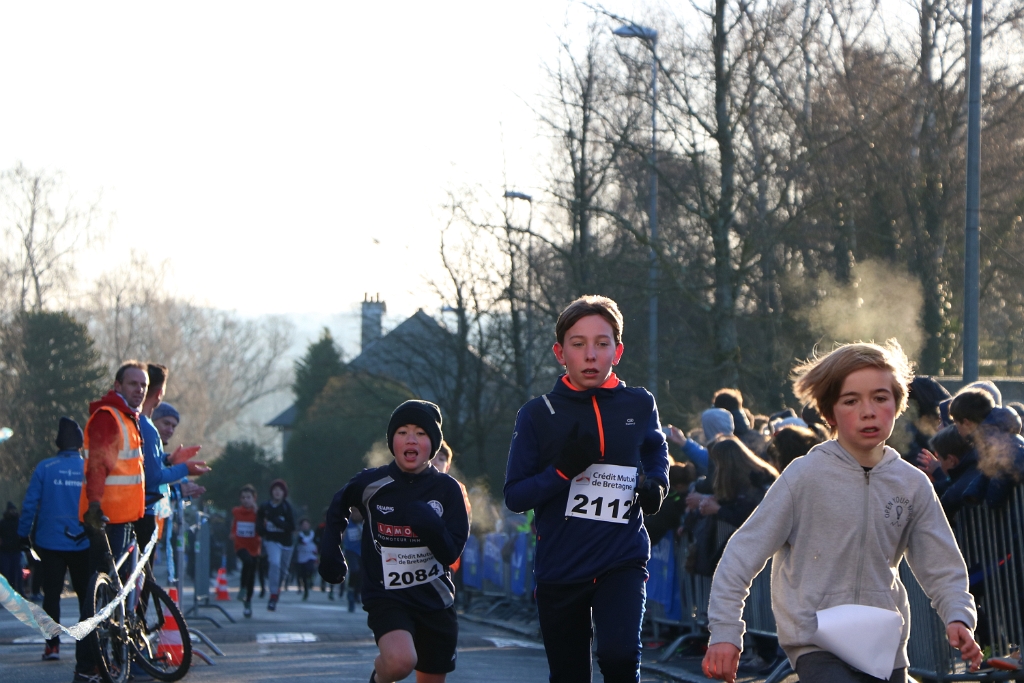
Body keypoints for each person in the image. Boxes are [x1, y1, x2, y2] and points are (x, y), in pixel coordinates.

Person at [703, 340, 982, 683]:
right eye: (851, 400)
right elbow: (741, 555)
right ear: (829, 412)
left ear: (897, 405)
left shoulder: (912, 484)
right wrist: (726, 632)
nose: (868, 411)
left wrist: (958, 616)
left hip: (884, 646)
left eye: (880, 398)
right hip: (817, 643)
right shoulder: (804, 476)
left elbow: (942, 564)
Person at [504, 295, 670, 683]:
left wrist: (657, 484)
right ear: (560, 353)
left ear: (618, 351)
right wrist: (562, 471)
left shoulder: (639, 403)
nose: (591, 355)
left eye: (602, 343)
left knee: (619, 657)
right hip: (561, 567)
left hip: (622, 559)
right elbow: (515, 495)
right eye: (578, 344)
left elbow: (655, 448)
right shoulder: (537, 414)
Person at [319, 400, 470, 683]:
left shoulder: (449, 490)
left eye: (420, 433)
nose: (411, 439)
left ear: (433, 443)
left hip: (435, 599)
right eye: (402, 432)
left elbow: (451, 551)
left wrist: (430, 525)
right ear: (392, 441)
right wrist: (331, 551)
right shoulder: (371, 484)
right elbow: (338, 505)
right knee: (401, 661)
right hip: (387, 596)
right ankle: (379, 677)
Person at [17, 418, 91, 662]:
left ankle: (52, 646)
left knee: (51, 595)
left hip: (50, 542)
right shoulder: (89, 468)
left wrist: (23, 535)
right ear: (80, 444)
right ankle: (87, 648)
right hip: (82, 541)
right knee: (85, 595)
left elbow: (30, 504)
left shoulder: (45, 467)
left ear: (58, 444)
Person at [136, 363, 208, 566]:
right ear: (159, 393)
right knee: (139, 579)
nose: (170, 430)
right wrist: (184, 469)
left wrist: (168, 461)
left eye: (173, 426)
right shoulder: (146, 427)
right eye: (166, 423)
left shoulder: (140, 425)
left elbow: (144, 468)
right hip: (141, 514)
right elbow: (153, 478)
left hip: (146, 515)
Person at [257, 479, 295, 611]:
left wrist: (276, 521)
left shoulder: (287, 507)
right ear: (271, 492)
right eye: (275, 490)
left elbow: (291, 527)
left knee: (283, 571)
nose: (277, 492)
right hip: (271, 541)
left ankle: (277, 590)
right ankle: (273, 595)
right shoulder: (265, 507)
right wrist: (262, 531)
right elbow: (259, 522)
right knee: (274, 563)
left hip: (286, 543)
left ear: (284, 493)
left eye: (280, 490)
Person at [231, 484, 261, 618]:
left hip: (254, 547)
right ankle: (242, 588)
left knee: (252, 576)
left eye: (248, 497)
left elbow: (263, 526)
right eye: (243, 497)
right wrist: (232, 533)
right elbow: (234, 525)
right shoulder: (237, 512)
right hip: (240, 545)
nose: (246, 500)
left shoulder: (258, 513)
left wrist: (257, 512)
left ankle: (248, 602)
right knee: (247, 562)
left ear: (254, 498)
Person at [0, 502, 22, 594]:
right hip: (5, 551)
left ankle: (18, 592)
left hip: (16, 551)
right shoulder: (3, 523)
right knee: (6, 574)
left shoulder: (18, 522)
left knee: (16, 574)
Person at [295, 518, 317, 601]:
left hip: (311, 556)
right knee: (302, 575)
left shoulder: (313, 534)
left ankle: (311, 579)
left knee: (310, 568)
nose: (305, 526)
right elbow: (298, 542)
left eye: (306, 524)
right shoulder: (299, 535)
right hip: (301, 557)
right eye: (303, 525)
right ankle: (306, 591)